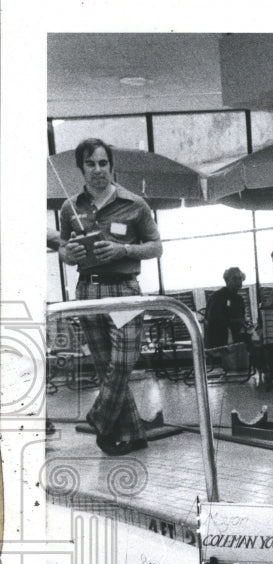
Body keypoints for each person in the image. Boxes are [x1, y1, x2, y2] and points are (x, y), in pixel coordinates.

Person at [58, 137, 163, 456]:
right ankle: (132, 432)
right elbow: (64, 249)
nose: (98, 169)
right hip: (88, 289)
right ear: (81, 168)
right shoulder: (69, 207)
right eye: (90, 164)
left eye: (103, 163)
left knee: (122, 363)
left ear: (111, 166)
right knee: (106, 366)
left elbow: (156, 247)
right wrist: (70, 253)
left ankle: (100, 419)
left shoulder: (135, 203)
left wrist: (123, 249)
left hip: (123, 290)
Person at [204, 267, 250, 348]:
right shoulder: (217, 297)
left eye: (240, 278)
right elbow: (214, 321)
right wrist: (237, 322)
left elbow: (242, 319)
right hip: (220, 342)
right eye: (234, 279)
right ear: (227, 280)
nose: (238, 281)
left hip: (236, 339)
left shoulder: (239, 299)